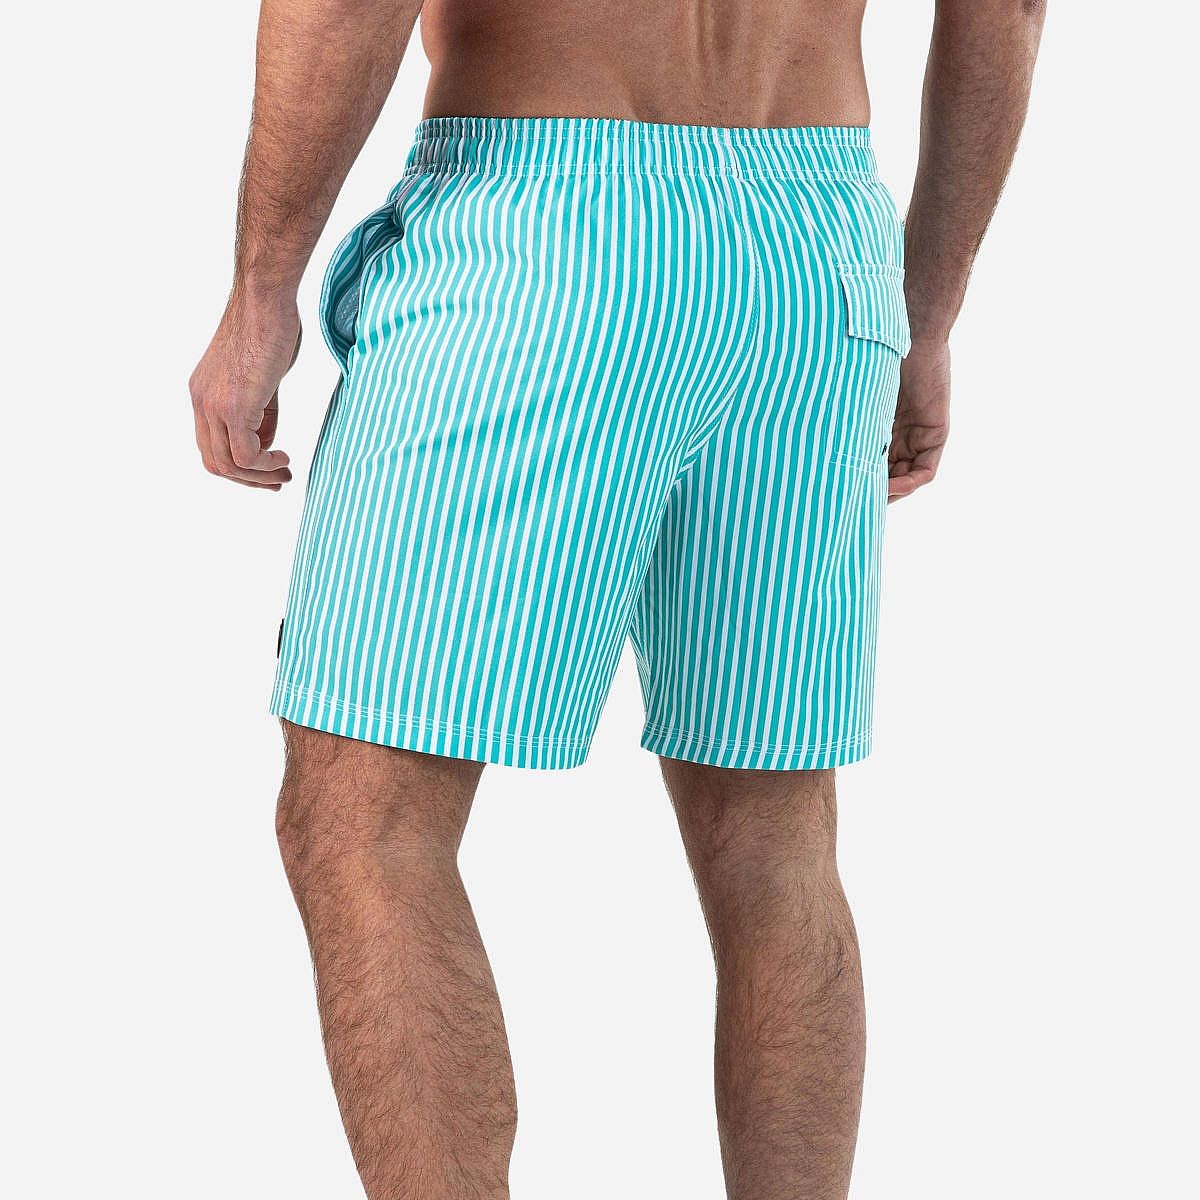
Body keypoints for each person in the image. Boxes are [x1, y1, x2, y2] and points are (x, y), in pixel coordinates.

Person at [190, 1, 1044, 1195]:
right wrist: (928, 309)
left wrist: (261, 290)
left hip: (545, 238)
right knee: (774, 841)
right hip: (819, 262)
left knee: (363, 823)